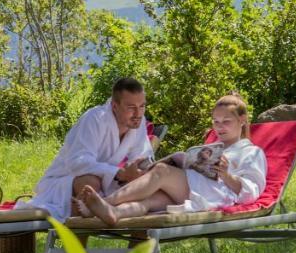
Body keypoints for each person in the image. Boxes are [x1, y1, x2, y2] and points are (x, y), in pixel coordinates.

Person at [78, 94, 266, 224]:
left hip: (215, 194)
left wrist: (226, 175)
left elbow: (252, 192)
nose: (220, 127)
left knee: (162, 172)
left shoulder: (253, 152)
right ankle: (114, 213)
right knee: (149, 201)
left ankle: (106, 202)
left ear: (242, 120)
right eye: (216, 122)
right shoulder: (211, 149)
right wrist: (181, 160)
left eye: (226, 122)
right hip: (192, 188)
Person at [23, 77, 153, 220]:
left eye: (142, 106)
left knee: (144, 187)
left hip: (107, 185)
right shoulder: (95, 119)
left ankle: (140, 241)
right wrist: (119, 173)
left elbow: (143, 156)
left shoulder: (138, 123)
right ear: (115, 106)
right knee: (90, 184)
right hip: (63, 183)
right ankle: (78, 237)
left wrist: (139, 171)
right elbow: (78, 163)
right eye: (131, 108)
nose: (138, 114)